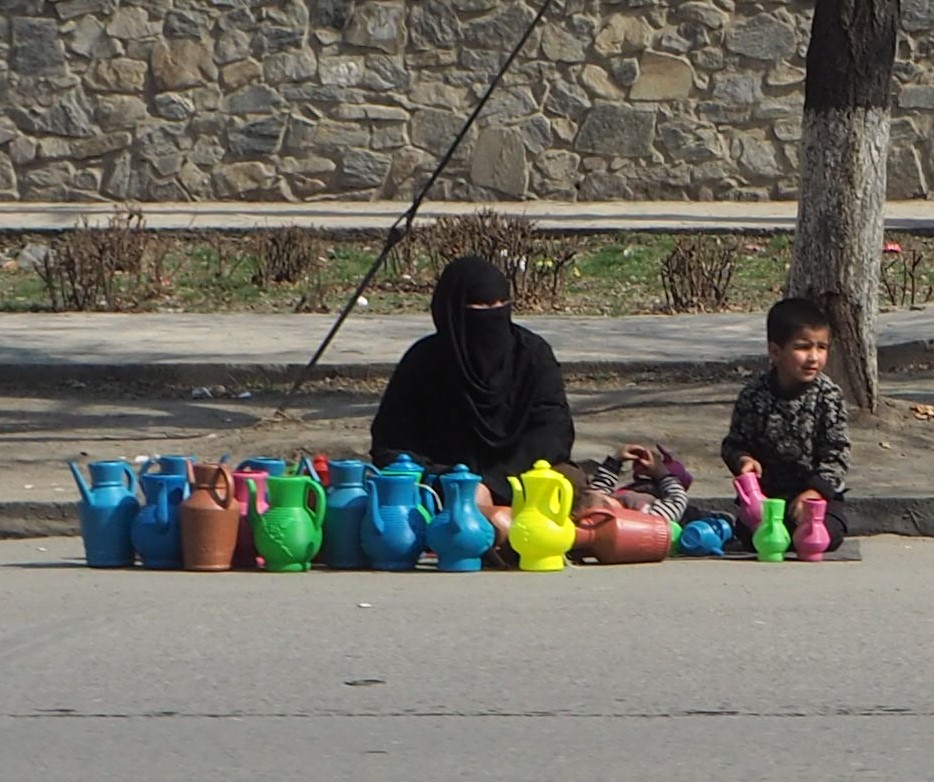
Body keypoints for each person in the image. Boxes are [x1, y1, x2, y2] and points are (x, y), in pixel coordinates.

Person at [370, 254, 575, 516]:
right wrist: (456, 481)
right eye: (483, 306)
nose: (495, 315)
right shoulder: (424, 362)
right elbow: (391, 447)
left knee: (571, 485)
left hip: (524, 483)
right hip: (444, 492)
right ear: (453, 311)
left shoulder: (531, 355)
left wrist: (497, 484)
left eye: (502, 304)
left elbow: (553, 432)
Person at [721, 297, 850, 551]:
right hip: (769, 499)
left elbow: (836, 455)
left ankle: (803, 532)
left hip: (815, 497)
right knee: (750, 536)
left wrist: (815, 492)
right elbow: (734, 444)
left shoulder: (828, 396)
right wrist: (743, 461)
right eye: (803, 347)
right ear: (776, 351)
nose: (813, 357)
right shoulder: (754, 395)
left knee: (827, 534)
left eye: (822, 347)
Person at [573, 443, 688, 524]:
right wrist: (661, 473)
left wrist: (615, 462)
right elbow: (677, 499)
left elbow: (600, 487)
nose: (602, 494)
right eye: (605, 501)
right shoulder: (645, 519)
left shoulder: (599, 512)